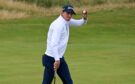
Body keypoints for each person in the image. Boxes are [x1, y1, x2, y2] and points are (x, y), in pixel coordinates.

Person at [42, 4, 88, 84]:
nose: (70, 15)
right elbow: (54, 44)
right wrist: (56, 59)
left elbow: (79, 23)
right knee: (46, 82)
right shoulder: (58, 25)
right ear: (62, 12)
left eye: (71, 14)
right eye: (68, 13)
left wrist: (84, 18)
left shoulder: (66, 21)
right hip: (51, 58)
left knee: (68, 82)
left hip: (59, 58)